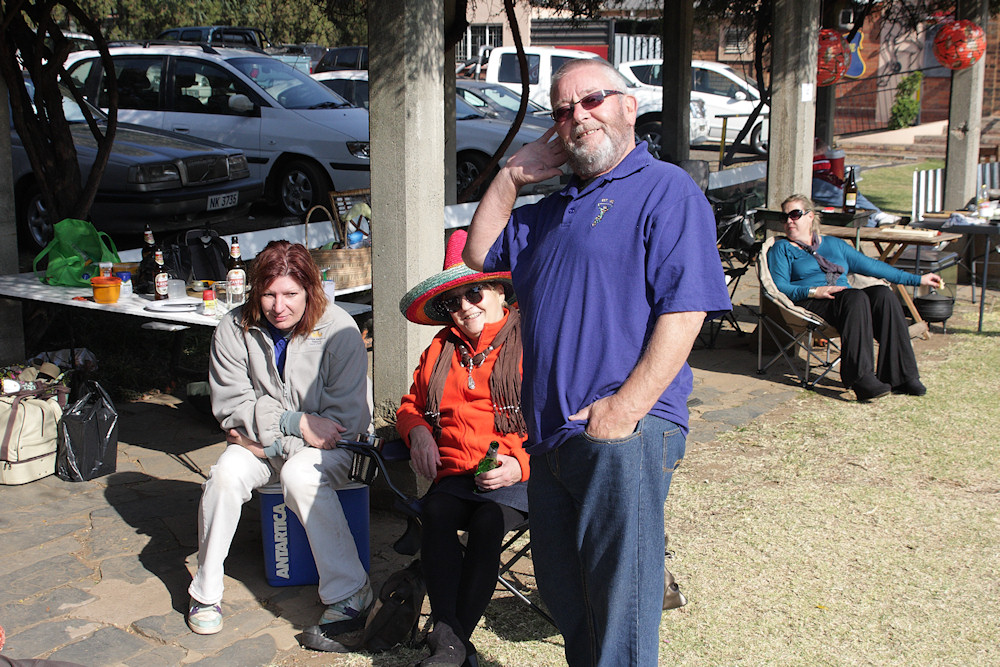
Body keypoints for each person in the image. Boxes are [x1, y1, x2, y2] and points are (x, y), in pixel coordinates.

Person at [462, 58, 732, 665]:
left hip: (623, 433)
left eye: (592, 101)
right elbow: (478, 254)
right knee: (572, 604)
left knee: (620, 609)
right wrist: (511, 177)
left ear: (628, 107)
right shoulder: (549, 212)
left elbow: (686, 308)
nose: (577, 117)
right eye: (562, 110)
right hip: (552, 440)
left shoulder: (665, 188)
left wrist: (625, 410)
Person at [187, 240, 372, 635]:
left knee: (300, 474)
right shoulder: (233, 328)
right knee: (224, 476)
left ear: (310, 290)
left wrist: (266, 442)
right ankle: (205, 591)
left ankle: (350, 590)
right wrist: (295, 423)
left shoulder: (340, 329)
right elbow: (231, 407)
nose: (278, 306)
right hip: (267, 443)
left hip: (324, 448)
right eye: (268, 294)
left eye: (290, 294)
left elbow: (342, 423)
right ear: (255, 291)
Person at [396, 230, 530, 667]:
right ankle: (455, 647)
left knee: (488, 522)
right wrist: (418, 432)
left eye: (475, 293)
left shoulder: (532, 340)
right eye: (453, 301)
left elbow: (559, 417)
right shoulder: (441, 347)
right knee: (436, 513)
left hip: (516, 475)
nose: (465, 307)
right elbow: (410, 406)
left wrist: (521, 465)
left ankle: (448, 640)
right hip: (455, 474)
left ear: (500, 291)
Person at [768, 194, 942, 401]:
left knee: (883, 294)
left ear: (810, 216)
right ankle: (861, 379)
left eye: (795, 215)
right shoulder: (781, 249)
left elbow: (874, 267)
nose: (789, 221)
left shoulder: (834, 245)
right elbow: (780, 287)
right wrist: (815, 291)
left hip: (846, 302)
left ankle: (902, 376)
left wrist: (918, 280)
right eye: (784, 217)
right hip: (811, 303)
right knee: (855, 297)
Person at [812, 138, 899, 226]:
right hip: (814, 178)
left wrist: (815, 151)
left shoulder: (814, 138)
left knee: (853, 192)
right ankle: (873, 224)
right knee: (846, 200)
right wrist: (813, 153)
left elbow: (823, 145)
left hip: (826, 174)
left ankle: (878, 215)